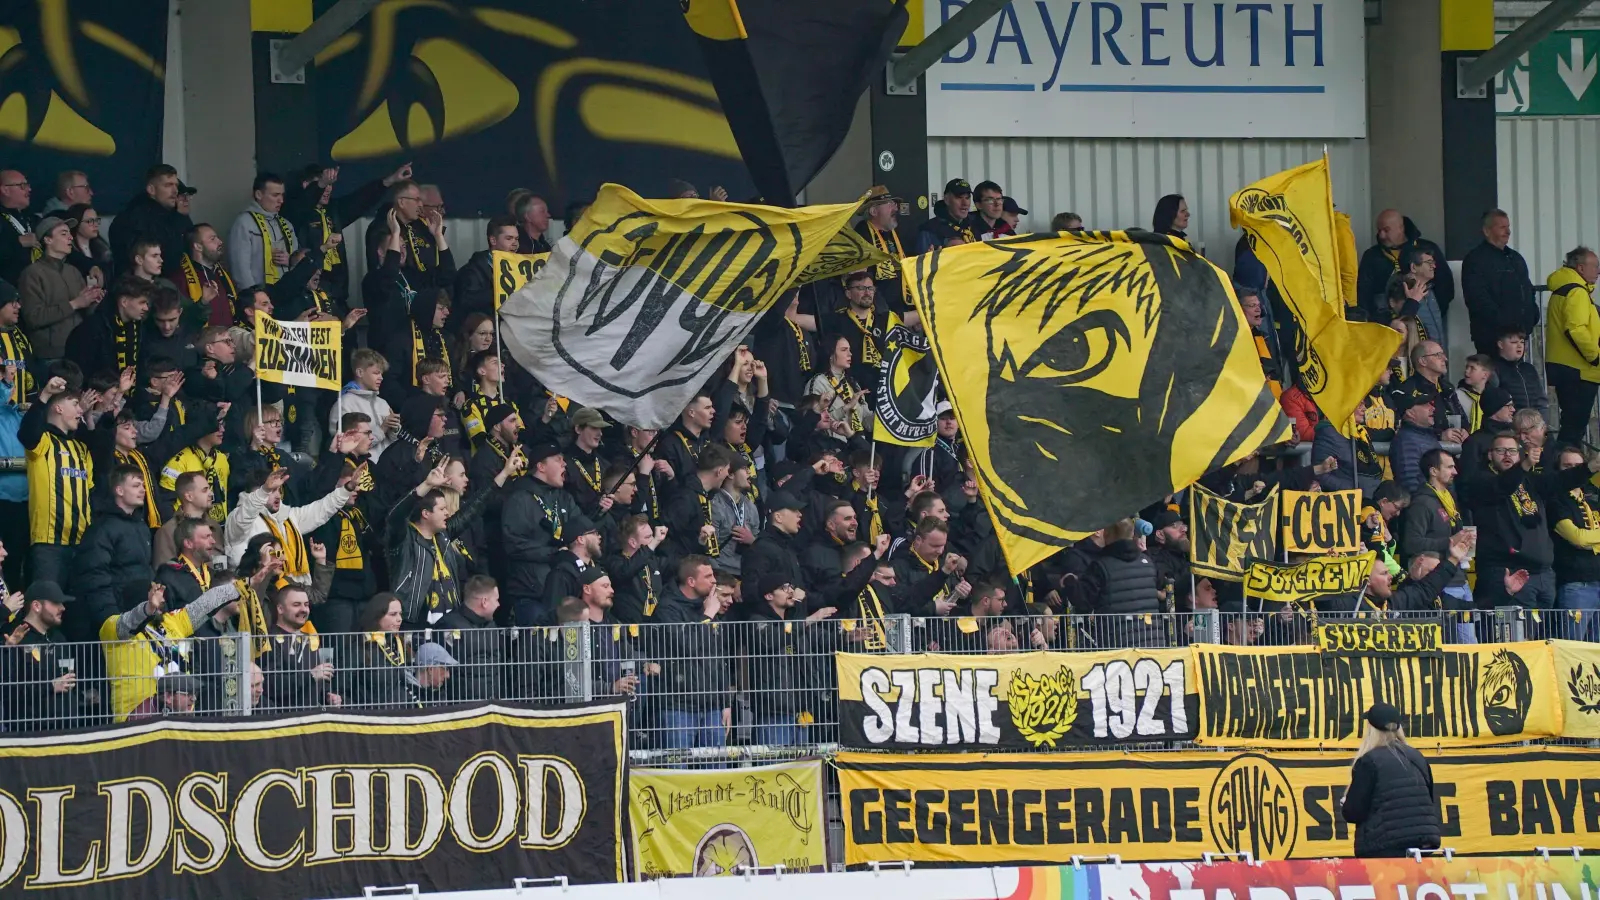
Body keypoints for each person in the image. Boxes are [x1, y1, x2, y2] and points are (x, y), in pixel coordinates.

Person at [1458, 432, 1600, 611]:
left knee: (1542, 636)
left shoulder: (1529, 480)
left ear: (1518, 453)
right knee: (1514, 634)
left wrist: (1591, 467)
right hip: (1508, 573)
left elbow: (1560, 480)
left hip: (1543, 575)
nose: (1507, 455)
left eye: (1512, 450)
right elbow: (1502, 486)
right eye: (1501, 450)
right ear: (1490, 455)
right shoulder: (1481, 481)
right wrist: (1524, 465)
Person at [652, 555, 732, 749]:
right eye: (708, 576)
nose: (714, 580)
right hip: (679, 705)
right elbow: (686, 647)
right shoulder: (667, 609)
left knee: (715, 769)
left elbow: (718, 658)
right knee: (678, 767)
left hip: (712, 706)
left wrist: (725, 703)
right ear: (691, 581)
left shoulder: (707, 607)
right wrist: (707, 616)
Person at [1342, 703, 1442, 858]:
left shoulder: (1369, 761)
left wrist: (1346, 802)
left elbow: (1354, 813)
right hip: (1423, 844)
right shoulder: (1417, 757)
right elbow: (1428, 799)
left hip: (1384, 847)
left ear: (1370, 729)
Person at [22, 376, 93, 584]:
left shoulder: (81, 449)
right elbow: (27, 433)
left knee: (75, 612)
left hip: (82, 543)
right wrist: (44, 395)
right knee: (47, 608)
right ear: (58, 409)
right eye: (74, 404)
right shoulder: (42, 441)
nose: (80, 410)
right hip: (49, 544)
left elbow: (92, 492)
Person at [18, 215, 101, 362]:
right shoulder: (31, 273)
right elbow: (34, 317)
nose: (70, 238)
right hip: (52, 356)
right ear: (48, 240)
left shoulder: (73, 271)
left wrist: (94, 300)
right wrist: (75, 303)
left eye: (69, 233)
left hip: (81, 349)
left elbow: (85, 311)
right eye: (64, 234)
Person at [1544, 246, 1600, 444]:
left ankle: (1567, 467)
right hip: (1579, 370)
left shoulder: (1564, 288)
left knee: (1571, 425)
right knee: (1574, 429)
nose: (1598, 271)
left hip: (1565, 367)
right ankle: (1568, 469)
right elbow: (1575, 329)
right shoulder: (1577, 292)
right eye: (1595, 266)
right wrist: (1595, 356)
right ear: (1581, 267)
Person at [1356, 209, 1453, 323]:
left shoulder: (1427, 248)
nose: (1381, 235)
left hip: (1427, 322)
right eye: (1379, 230)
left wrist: (1434, 313)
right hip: (1386, 325)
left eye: (1386, 230)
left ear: (1401, 228)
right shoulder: (1372, 256)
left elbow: (1445, 285)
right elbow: (1363, 294)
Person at [1462, 209, 1536, 356]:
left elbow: (1528, 290)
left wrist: (1532, 316)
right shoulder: (1475, 260)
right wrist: (1504, 323)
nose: (1508, 231)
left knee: (1515, 376)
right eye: (1502, 227)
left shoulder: (1515, 259)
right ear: (1487, 231)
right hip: (1490, 337)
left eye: (1508, 227)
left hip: (1518, 335)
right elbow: (1477, 299)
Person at [1550, 445, 1600, 638]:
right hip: (1576, 585)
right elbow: (1577, 538)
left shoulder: (1594, 494)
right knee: (1572, 650)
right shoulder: (1555, 499)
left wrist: (1590, 540)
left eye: (1578, 465)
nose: (1573, 470)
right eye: (1567, 466)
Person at [434, 575, 508, 701]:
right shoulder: (448, 625)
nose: (498, 604)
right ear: (484, 602)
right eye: (496, 600)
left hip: (493, 705)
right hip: (462, 708)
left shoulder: (492, 625)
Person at [109, 164, 192, 276]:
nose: (175, 191)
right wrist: (179, 219)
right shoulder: (134, 219)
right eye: (168, 185)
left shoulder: (175, 214)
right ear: (151, 190)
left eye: (176, 185)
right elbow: (168, 259)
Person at [171, 223, 238, 327]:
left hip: (230, 333)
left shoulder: (220, 273)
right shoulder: (181, 279)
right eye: (212, 239)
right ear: (198, 246)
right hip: (203, 337)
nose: (220, 242)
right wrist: (203, 301)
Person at [1492, 327, 1547, 415]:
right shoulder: (1494, 369)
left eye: (1522, 342)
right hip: (1509, 425)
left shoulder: (1529, 369)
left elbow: (1541, 400)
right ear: (1501, 344)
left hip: (1534, 424)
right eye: (1514, 342)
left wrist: (1542, 421)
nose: (1520, 345)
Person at [0, 169, 38, 286]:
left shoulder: (32, 218)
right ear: (5, 190)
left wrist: (90, 265)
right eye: (23, 186)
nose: (29, 190)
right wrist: (18, 242)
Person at [917, 178, 977, 251]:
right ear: (946, 200)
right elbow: (921, 261)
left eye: (967, 198)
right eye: (959, 197)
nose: (965, 203)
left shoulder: (975, 224)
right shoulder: (929, 231)